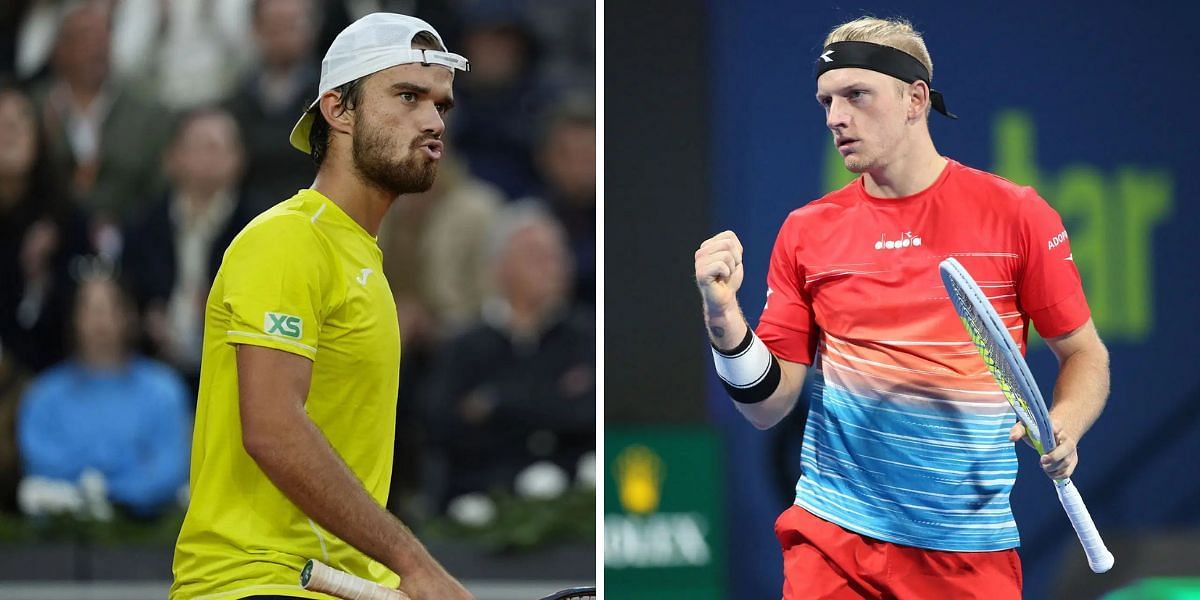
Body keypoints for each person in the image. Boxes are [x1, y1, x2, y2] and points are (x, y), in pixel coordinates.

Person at [693, 17, 1110, 600]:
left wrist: (1064, 423)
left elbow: (1084, 352)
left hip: (969, 549)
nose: (836, 117)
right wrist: (722, 321)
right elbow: (769, 407)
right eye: (826, 100)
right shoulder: (806, 232)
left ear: (915, 99)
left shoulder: (1017, 213)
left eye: (856, 95)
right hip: (833, 539)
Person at [170, 13, 472, 600]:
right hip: (251, 584)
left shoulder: (359, 260)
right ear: (338, 110)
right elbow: (274, 430)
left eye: (441, 105)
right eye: (407, 96)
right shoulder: (285, 240)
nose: (433, 121)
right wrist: (415, 563)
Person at [423, 202, 594, 511]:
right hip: (479, 506)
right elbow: (442, 430)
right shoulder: (462, 347)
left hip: (572, 512)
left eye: (558, 256)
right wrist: (552, 403)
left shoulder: (589, 338)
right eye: (536, 256)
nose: (553, 267)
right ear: (499, 266)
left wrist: (497, 403)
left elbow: (589, 419)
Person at [16, 273, 190, 519]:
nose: (100, 320)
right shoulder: (44, 394)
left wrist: (114, 490)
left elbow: (171, 466)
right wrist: (90, 486)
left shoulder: (163, 390)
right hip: (59, 534)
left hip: (146, 533)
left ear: (130, 316)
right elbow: (40, 461)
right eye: (90, 308)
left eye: (110, 308)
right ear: (73, 318)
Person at [123, 107, 262, 385]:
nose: (209, 156)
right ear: (171, 158)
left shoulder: (259, 225)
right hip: (151, 367)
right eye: (199, 145)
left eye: (219, 146)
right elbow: (128, 291)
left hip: (234, 367)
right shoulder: (145, 224)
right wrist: (145, 317)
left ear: (239, 159)